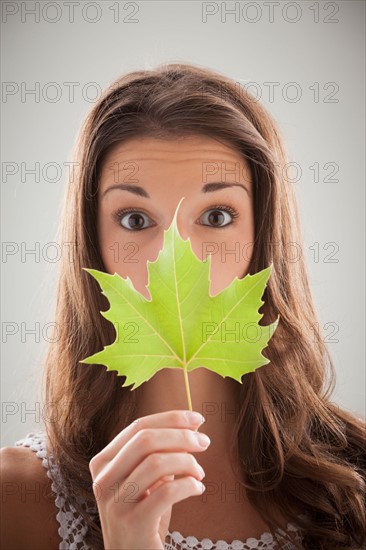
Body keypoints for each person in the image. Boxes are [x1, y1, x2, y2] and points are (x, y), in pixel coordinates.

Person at [1, 62, 365, 550]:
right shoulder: (18, 497)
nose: (175, 254)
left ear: (262, 238)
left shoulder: (355, 475)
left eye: (216, 216)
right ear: (91, 242)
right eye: (134, 219)